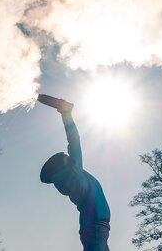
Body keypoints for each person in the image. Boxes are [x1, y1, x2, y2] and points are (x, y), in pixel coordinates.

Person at [39, 97, 111, 251]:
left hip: (94, 227)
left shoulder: (70, 178)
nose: (67, 156)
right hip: (96, 227)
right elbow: (74, 140)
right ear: (61, 165)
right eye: (65, 156)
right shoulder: (74, 173)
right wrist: (66, 114)